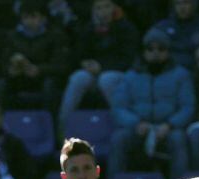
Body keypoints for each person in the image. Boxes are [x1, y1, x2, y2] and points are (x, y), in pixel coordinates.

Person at [107, 27, 195, 179]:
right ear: (143, 51)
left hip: (168, 128)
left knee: (178, 139)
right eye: (150, 48)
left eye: (161, 48)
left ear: (168, 51)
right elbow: (119, 107)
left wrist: (169, 124)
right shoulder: (131, 76)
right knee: (118, 138)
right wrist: (136, 123)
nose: (156, 53)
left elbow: (187, 106)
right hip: (138, 127)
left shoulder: (181, 75)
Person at [57, 0, 139, 129]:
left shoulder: (126, 28)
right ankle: (63, 127)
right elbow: (77, 54)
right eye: (99, 8)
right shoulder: (88, 28)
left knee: (106, 79)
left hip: (118, 73)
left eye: (107, 6)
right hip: (93, 73)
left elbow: (128, 59)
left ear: (114, 8)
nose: (103, 11)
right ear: (93, 11)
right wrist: (84, 63)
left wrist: (102, 67)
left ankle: (123, 124)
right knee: (78, 78)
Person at [0, 0, 69, 112]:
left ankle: (49, 123)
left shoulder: (55, 35)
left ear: (43, 18)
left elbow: (60, 65)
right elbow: (4, 63)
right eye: (25, 17)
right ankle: (4, 121)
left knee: (49, 85)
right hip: (20, 78)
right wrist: (10, 70)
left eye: (34, 17)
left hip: (44, 77)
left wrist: (39, 70)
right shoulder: (12, 37)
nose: (29, 21)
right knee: (1, 85)